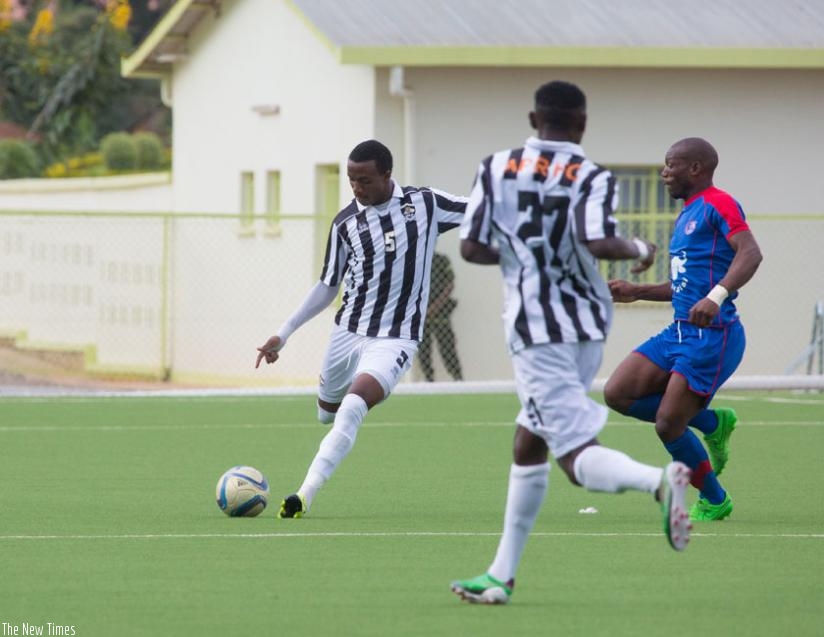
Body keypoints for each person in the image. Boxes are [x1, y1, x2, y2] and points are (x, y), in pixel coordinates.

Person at [450, 80, 692, 606]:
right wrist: (641, 245)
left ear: (534, 118)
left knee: (574, 458)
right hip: (587, 323)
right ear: (581, 124)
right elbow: (598, 242)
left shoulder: (495, 167)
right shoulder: (592, 174)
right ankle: (500, 576)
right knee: (528, 440)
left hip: (538, 331)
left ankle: (659, 480)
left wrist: (523, 255)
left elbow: (470, 247)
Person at [255, 139, 467, 519]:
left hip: (396, 337)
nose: (357, 187)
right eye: (351, 180)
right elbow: (327, 286)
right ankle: (329, 414)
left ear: (387, 175)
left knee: (353, 406)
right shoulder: (346, 224)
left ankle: (304, 494)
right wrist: (283, 334)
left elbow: (481, 213)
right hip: (348, 333)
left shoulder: (425, 205)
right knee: (326, 413)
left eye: (365, 180)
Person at [603, 137, 763, 523]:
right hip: (678, 332)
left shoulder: (719, 202)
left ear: (696, 168)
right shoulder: (687, 214)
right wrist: (636, 291)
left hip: (713, 335)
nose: (664, 172)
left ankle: (714, 499)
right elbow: (684, 288)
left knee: (668, 424)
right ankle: (711, 422)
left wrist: (718, 296)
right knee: (617, 393)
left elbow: (751, 252)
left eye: (671, 165)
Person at [418, 252, 463, 382]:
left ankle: (458, 378)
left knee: (447, 348)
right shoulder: (415, 259)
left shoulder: (441, 260)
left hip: (441, 314)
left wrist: (434, 307)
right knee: (423, 350)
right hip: (422, 316)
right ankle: (428, 379)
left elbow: (450, 285)